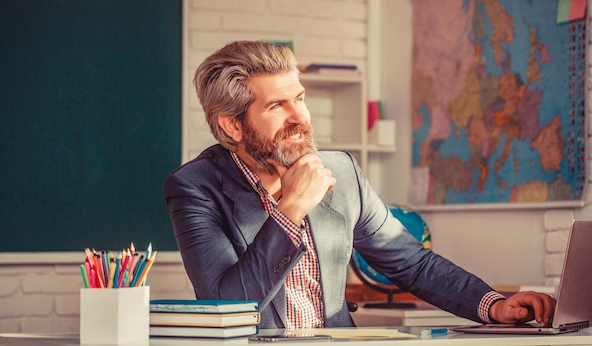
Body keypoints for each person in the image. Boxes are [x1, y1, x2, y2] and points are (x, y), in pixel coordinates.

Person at [163, 40, 556, 329]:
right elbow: (225, 305)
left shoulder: (343, 171)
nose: (299, 116)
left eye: (299, 98)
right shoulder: (194, 187)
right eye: (276, 106)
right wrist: (291, 209)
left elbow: (410, 262)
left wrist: (493, 305)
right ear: (232, 125)